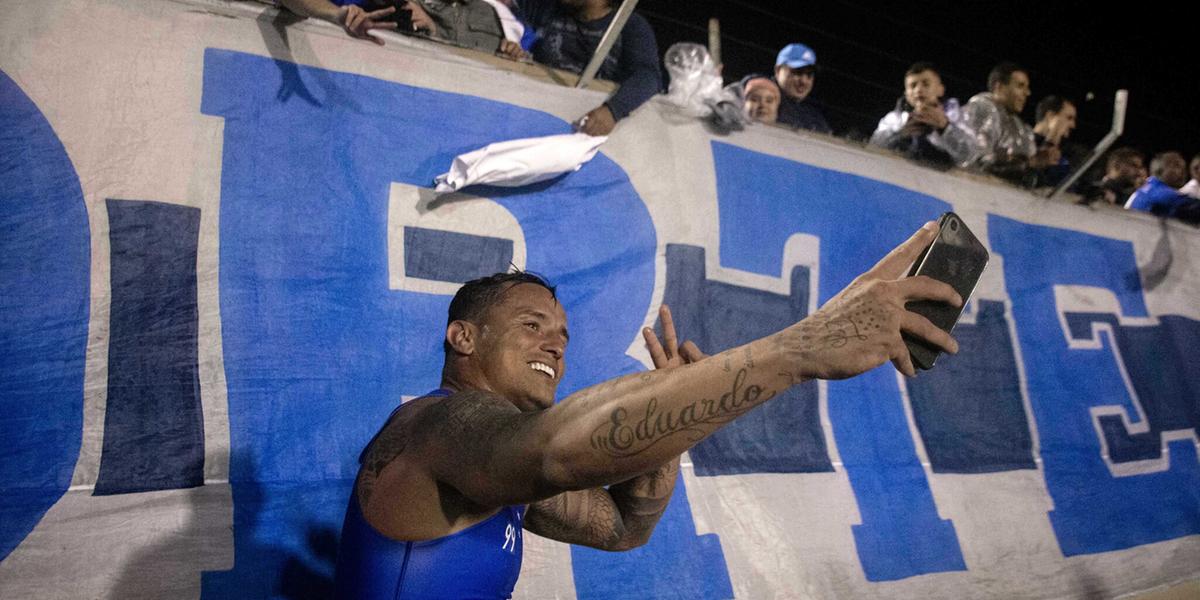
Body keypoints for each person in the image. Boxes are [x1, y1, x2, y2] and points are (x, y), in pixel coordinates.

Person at [333, 223, 963, 598]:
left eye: (562, 334)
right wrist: (803, 346)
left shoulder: (490, 472)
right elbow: (561, 447)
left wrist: (672, 429)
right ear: (463, 338)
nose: (555, 342)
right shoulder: (438, 427)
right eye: (532, 324)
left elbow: (624, 528)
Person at [520, 0, 662, 136]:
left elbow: (648, 77)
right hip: (536, 117)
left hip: (584, 129)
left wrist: (613, 111)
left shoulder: (629, 25)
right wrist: (516, 52)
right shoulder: (547, 11)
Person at [962, 62, 1058, 183]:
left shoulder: (1019, 125)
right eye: (1020, 86)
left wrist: (1043, 157)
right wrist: (1030, 162)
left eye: (1027, 87)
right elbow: (977, 162)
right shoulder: (983, 109)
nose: (1027, 93)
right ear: (999, 87)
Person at [869, 62, 978, 168]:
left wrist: (945, 128)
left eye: (926, 84)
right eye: (913, 86)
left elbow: (970, 156)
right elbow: (872, 147)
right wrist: (901, 135)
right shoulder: (894, 119)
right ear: (906, 93)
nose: (919, 90)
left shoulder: (958, 117)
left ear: (940, 90)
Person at [1125, 151, 1200, 224]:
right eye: (1177, 166)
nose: (1183, 171)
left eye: (1184, 167)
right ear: (1159, 171)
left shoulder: (1147, 187)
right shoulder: (1160, 193)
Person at [772, 43, 832, 134]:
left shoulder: (814, 117)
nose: (804, 81)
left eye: (809, 75)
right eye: (797, 72)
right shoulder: (760, 98)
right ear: (778, 70)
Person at [1030, 95, 1077, 187]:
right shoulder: (1024, 143)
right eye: (1069, 118)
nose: (1073, 125)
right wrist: (1052, 138)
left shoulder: (1064, 153)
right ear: (1050, 116)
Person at [1081, 147, 1145, 206]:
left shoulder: (1130, 195)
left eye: (1140, 168)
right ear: (1117, 165)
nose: (1139, 172)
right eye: (1134, 166)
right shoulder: (1089, 191)